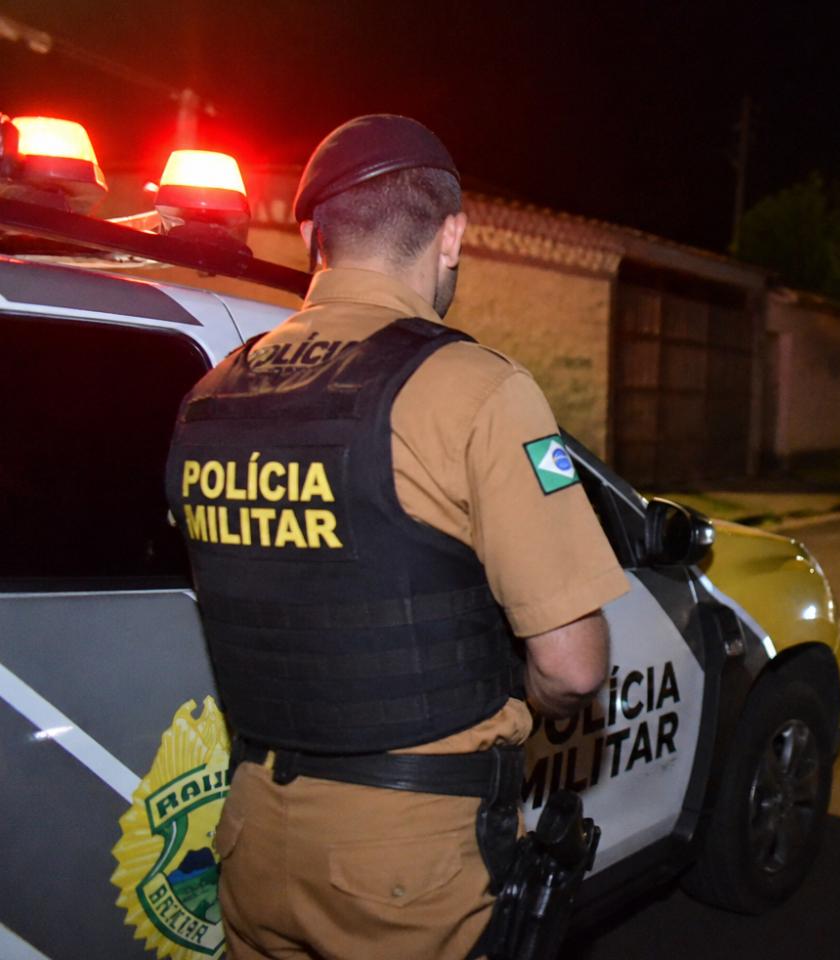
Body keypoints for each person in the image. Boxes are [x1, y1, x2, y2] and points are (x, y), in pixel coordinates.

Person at [164, 115, 629, 959]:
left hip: (251, 836)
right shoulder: (476, 388)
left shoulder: (211, 394)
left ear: (312, 237)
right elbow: (573, 664)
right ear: (451, 236)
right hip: (407, 863)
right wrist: (528, 695)